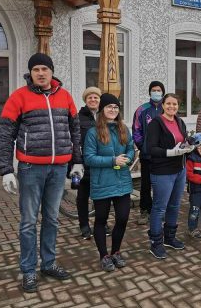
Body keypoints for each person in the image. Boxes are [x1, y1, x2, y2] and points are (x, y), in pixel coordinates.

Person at [0, 53, 82, 293]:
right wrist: (6, 169)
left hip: (58, 168)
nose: (41, 73)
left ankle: (48, 263)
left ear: (51, 71)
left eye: (45, 68)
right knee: (28, 222)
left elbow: (74, 130)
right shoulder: (18, 97)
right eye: (36, 69)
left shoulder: (65, 97)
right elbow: (5, 135)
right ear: (31, 73)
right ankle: (28, 270)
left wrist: (77, 161)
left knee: (52, 219)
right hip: (30, 168)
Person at [83, 94, 134, 272]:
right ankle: (104, 255)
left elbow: (130, 148)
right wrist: (112, 161)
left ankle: (116, 251)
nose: (113, 110)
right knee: (101, 220)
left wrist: (127, 159)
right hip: (102, 182)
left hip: (122, 182)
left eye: (116, 107)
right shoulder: (93, 132)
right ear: (102, 110)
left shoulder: (123, 129)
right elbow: (88, 158)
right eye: (109, 107)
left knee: (122, 218)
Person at [146, 94, 195, 259]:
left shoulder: (179, 121)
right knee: (160, 208)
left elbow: (182, 141)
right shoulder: (156, 123)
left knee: (174, 206)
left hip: (179, 170)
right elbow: (150, 148)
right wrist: (171, 152)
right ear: (163, 105)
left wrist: (190, 144)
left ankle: (169, 237)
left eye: (175, 104)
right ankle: (156, 243)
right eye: (168, 104)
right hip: (162, 172)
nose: (171, 107)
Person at [75, 86, 110, 239]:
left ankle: (101, 223)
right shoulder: (78, 117)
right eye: (90, 97)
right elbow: (74, 141)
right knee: (83, 196)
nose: (93, 100)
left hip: (102, 163)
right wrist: (76, 162)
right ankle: (84, 225)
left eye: (96, 97)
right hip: (84, 163)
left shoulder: (105, 116)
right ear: (85, 100)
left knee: (101, 195)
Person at [132, 81, 165, 225]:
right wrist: (143, 146)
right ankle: (145, 210)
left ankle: (159, 211)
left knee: (161, 185)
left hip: (164, 156)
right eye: (154, 90)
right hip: (147, 155)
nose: (156, 92)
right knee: (146, 184)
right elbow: (136, 130)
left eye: (159, 90)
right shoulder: (142, 109)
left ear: (163, 92)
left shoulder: (167, 108)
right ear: (149, 92)